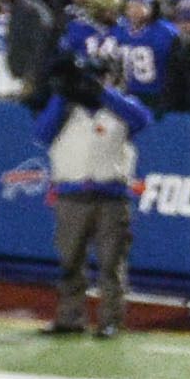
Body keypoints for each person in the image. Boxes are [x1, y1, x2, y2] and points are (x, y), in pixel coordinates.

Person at [35, 58, 153, 338]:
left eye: (100, 75)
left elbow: (143, 119)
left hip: (111, 195)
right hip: (71, 194)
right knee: (70, 261)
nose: (92, 81)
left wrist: (102, 93)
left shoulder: (123, 108)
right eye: (90, 76)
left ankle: (111, 320)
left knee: (111, 263)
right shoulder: (66, 109)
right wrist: (63, 96)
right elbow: (41, 134)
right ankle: (69, 318)